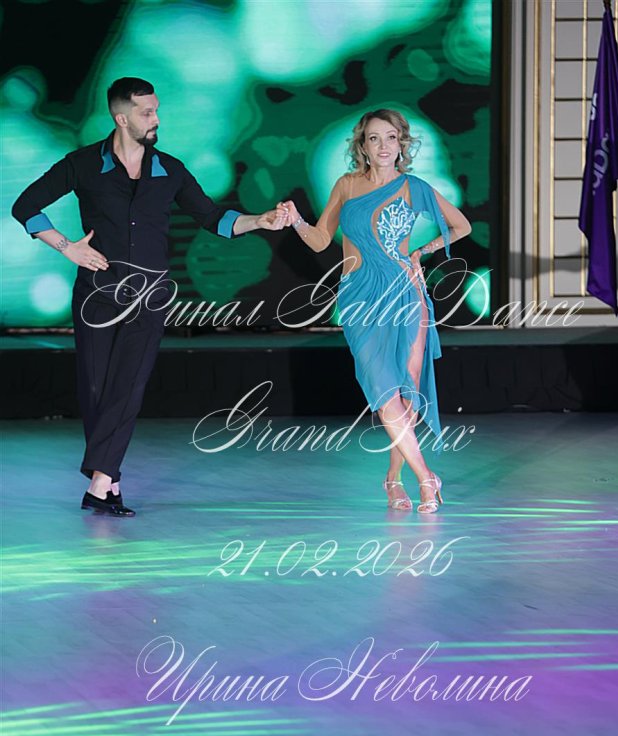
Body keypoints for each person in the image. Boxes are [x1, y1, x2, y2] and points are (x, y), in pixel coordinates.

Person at [12, 77, 288, 517]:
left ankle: (100, 482)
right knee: (96, 388)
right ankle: (109, 483)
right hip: (97, 294)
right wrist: (68, 247)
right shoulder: (82, 164)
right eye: (147, 112)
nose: (156, 119)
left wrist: (260, 220)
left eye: (156, 110)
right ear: (121, 118)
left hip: (150, 295)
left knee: (129, 385)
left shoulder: (170, 170)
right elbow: (25, 206)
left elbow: (213, 218)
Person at [280, 109, 471, 512]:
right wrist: (296, 220)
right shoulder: (347, 185)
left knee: (407, 390)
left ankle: (395, 479)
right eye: (373, 138)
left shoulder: (414, 187)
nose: (383, 146)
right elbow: (319, 241)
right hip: (359, 296)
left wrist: (422, 252)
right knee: (384, 391)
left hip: (406, 292)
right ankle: (427, 477)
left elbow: (461, 227)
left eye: (390, 137)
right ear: (362, 146)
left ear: (401, 143)